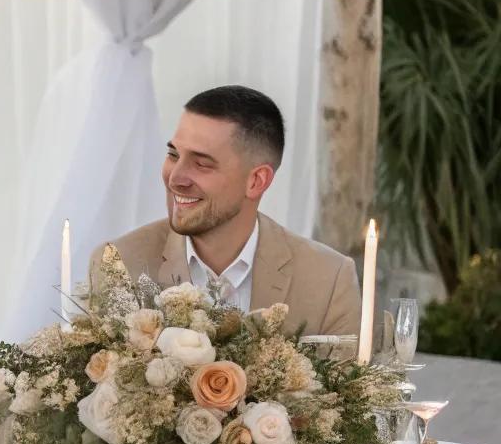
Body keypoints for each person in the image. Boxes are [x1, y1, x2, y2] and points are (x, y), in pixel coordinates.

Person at [91, 85, 361, 336]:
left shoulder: (329, 279)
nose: (176, 178)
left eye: (202, 164)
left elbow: (347, 385)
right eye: (173, 155)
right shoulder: (119, 264)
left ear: (256, 181)